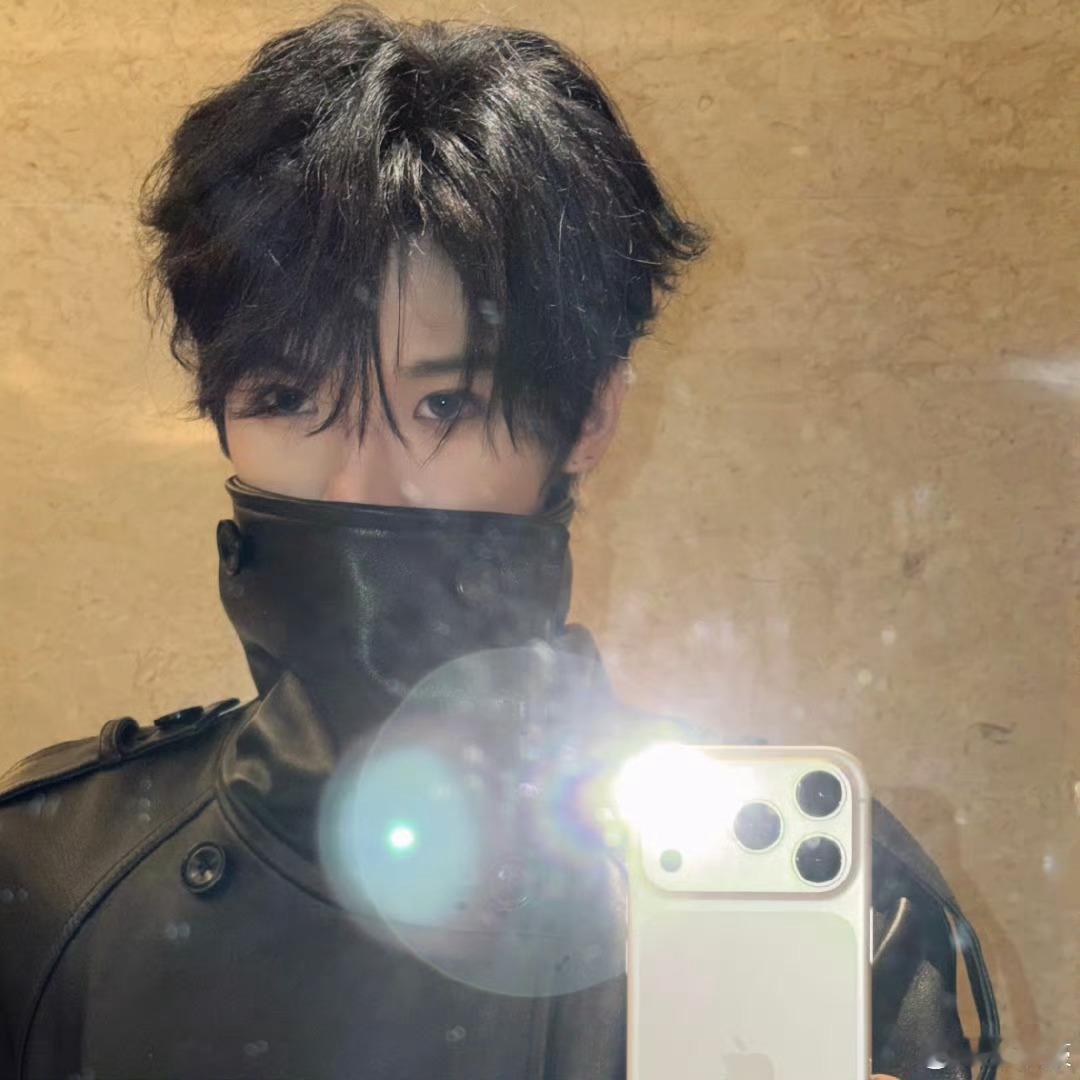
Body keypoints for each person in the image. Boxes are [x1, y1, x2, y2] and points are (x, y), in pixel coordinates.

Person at [0, 4, 998, 1078]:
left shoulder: (812, 895)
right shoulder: (54, 876)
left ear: (591, 416)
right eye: (286, 398)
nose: (360, 487)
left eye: (446, 406)